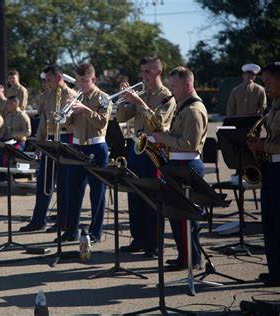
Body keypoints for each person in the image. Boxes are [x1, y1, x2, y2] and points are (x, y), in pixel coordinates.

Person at [117, 56, 176, 257]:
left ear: (158, 72)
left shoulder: (166, 96)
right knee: (135, 195)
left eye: (148, 72)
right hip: (136, 147)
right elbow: (122, 118)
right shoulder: (143, 92)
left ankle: (154, 242)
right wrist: (124, 100)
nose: (143, 76)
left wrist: (138, 101)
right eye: (142, 72)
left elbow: (158, 122)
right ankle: (139, 239)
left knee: (152, 197)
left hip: (154, 150)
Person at [152, 66, 208, 271]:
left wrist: (162, 138)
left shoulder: (193, 110)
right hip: (177, 162)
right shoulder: (183, 106)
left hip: (186, 163)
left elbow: (190, 143)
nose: (171, 89)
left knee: (186, 217)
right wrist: (165, 132)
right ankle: (184, 256)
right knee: (177, 215)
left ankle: (191, 259)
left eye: (174, 86)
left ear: (187, 84)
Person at [58, 63, 111, 243]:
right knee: (72, 191)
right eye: (78, 81)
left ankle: (95, 232)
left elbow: (102, 123)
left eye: (85, 82)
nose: (80, 85)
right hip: (77, 147)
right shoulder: (76, 97)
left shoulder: (103, 98)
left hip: (96, 148)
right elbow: (67, 124)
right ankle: (71, 230)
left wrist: (86, 111)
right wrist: (67, 112)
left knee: (97, 192)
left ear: (93, 79)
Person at [19, 65, 75, 232]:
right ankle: (39, 219)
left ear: (59, 78)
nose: (47, 83)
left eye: (49, 80)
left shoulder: (70, 95)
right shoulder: (47, 96)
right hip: (49, 140)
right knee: (44, 181)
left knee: (64, 184)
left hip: (65, 138)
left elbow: (72, 123)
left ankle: (63, 221)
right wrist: (39, 143)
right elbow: (43, 122)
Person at [248, 61, 280, 287]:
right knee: (269, 222)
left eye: (269, 82)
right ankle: (275, 271)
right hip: (272, 168)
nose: (266, 86)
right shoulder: (274, 104)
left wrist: (263, 147)